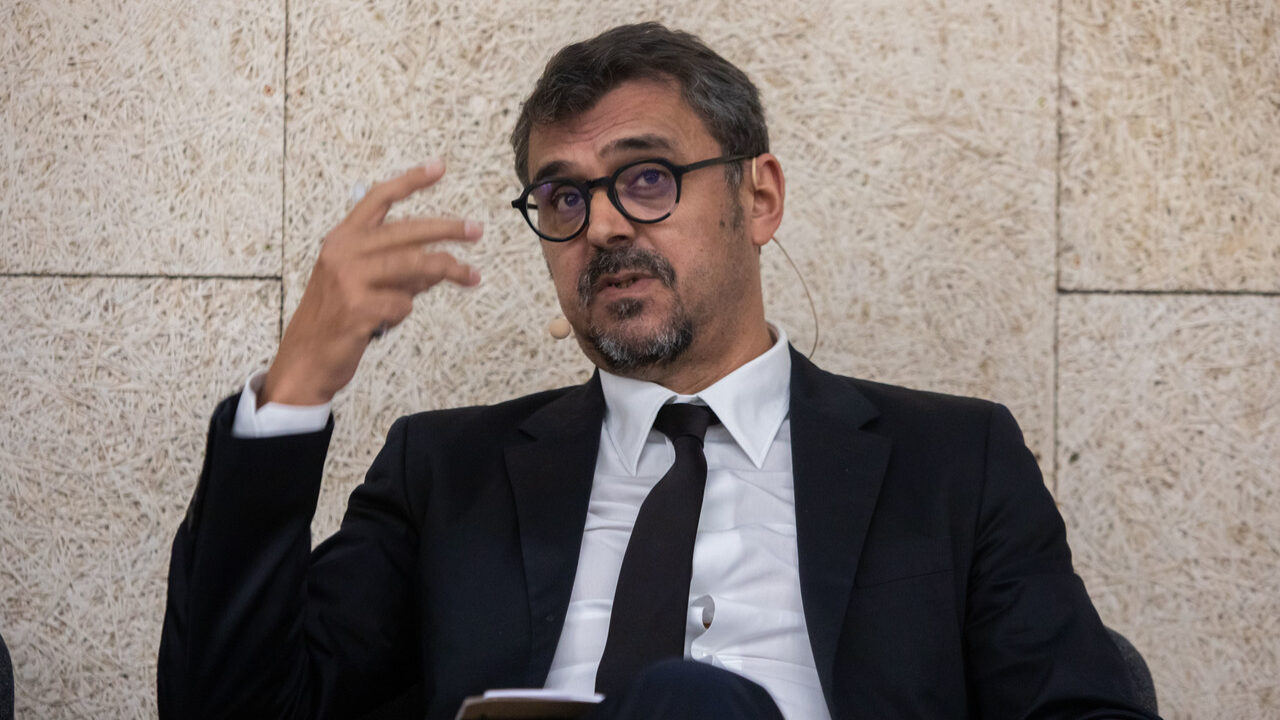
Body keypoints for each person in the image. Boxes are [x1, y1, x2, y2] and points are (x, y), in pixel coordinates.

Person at [159, 22, 1158, 720]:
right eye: (561, 198)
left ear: (758, 197)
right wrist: (294, 389)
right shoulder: (445, 474)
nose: (599, 225)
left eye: (646, 179)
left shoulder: (952, 461)